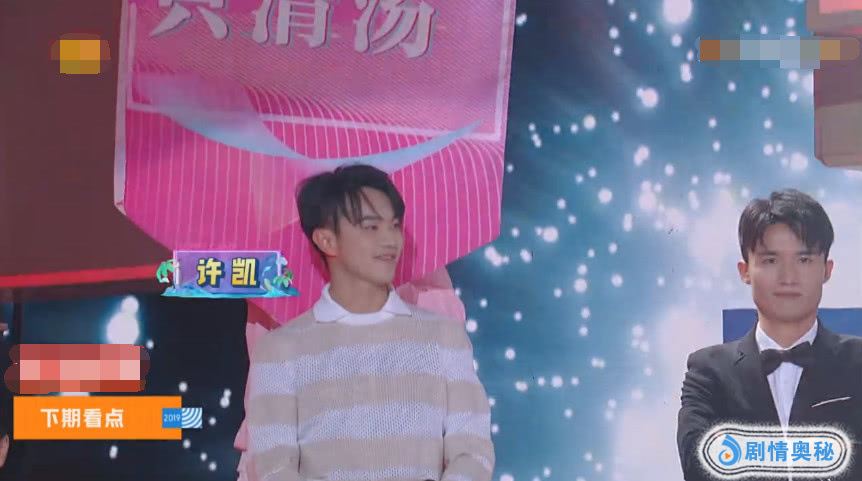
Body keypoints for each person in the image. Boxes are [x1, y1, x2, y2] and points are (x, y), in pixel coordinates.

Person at [243, 164, 494, 481]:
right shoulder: (280, 350)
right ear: (327, 240)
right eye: (371, 227)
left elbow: (472, 453)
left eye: (395, 225)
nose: (390, 240)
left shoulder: (443, 337)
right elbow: (274, 467)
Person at [677, 189, 862, 480]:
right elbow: (699, 465)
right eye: (771, 261)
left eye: (804, 260)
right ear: (745, 271)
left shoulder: (858, 362)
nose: (788, 277)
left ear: (827, 270)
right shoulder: (708, 371)